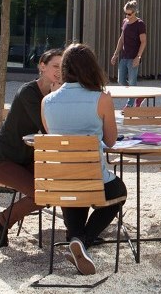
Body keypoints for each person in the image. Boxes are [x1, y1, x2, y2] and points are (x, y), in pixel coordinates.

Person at [42, 43, 127, 276]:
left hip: (61, 182)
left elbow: (52, 136)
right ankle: (84, 241)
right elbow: (110, 141)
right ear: (92, 68)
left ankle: (77, 239)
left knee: (74, 188)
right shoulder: (101, 99)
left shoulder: (47, 101)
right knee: (119, 192)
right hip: (94, 180)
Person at [0, 48, 63, 249]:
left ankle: (78, 234)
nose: (60, 71)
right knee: (41, 195)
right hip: (2, 160)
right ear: (42, 66)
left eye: (63, 67)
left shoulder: (56, 93)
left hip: (26, 160)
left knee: (62, 183)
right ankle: (2, 220)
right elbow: (49, 127)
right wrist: (55, 98)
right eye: (55, 66)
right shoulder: (29, 93)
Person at [109, 0, 147, 107]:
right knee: (120, 80)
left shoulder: (140, 24)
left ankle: (130, 105)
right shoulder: (125, 22)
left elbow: (143, 42)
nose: (127, 16)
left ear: (135, 12)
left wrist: (138, 57)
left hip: (134, 57)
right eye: (125, 13)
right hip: (124, 56)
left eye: (129, 14)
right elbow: (121, 39)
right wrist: (115, 54)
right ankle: (138, 96)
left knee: (132, 81)